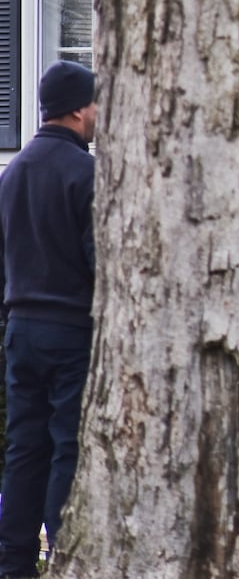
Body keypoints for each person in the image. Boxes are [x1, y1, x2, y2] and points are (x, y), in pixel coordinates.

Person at [0, 60, 98, 577]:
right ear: (81, 109)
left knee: (24, 450)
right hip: (71, 332)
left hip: (21, 330)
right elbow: (97, 260)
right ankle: (65, 553)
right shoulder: (85, 173)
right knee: (68, 446)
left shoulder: (13, 172)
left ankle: (14, 562)